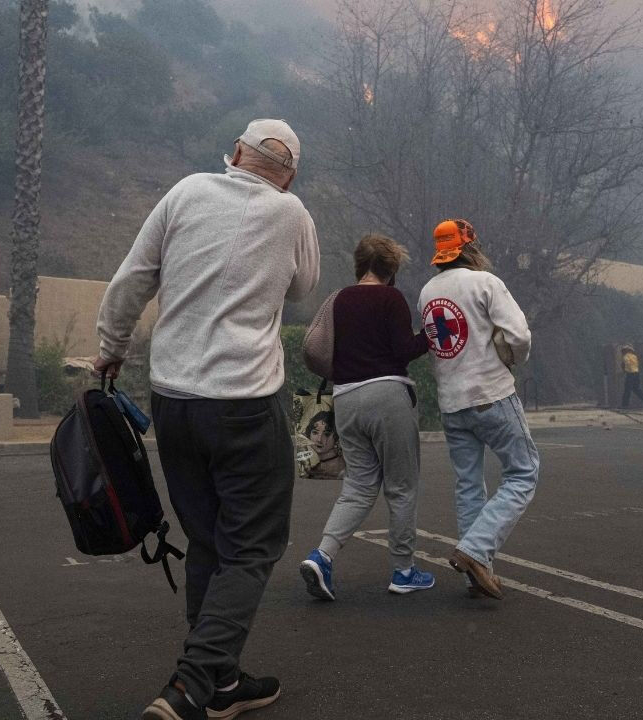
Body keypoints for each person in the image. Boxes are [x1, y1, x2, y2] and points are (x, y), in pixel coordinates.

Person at [94, 118, 319, 720]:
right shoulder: (291, 213)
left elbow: (132, 280)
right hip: (244, 400)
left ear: (236, 154)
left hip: (173, 400)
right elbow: (303, 287)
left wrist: (110, 350)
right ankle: (192, 685)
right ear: (289, 174)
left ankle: (220, 684)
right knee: (253, 546)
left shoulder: (186, 192)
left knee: (208, 540)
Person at [299, 234, 434, 601]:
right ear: (390, 269)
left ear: (359, 264)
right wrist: (430, 336)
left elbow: (313, 346)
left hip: (346, 399)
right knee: (402, 486)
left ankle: (322, 556)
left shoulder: (338, 299)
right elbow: (404, 350)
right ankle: (404, 570)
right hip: (388, 395)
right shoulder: (390, 298)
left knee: (358, 486)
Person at [418, 219, 538, 600]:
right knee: (523, 473)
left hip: (452, 403)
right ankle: (475, 551)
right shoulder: (485, 283)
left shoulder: (426, 293)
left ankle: (476, 573)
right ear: (468, 247)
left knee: (469, 485)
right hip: (492, 395)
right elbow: (518, 335)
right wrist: (512, 359)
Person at [303, 410, 343, 478]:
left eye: (327, 434)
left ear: (336, 436)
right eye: (315, 433)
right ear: (309, 434)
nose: (319, 439)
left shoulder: (340, 468)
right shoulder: (315, 468)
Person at [619, 344, 643, 409]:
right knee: (636, 389)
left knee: (627, 390)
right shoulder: (634, 356)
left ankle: (625, 405)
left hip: (630, 374)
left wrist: (624, 370)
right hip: (636, 374)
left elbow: (625, 364)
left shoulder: (625, 356)